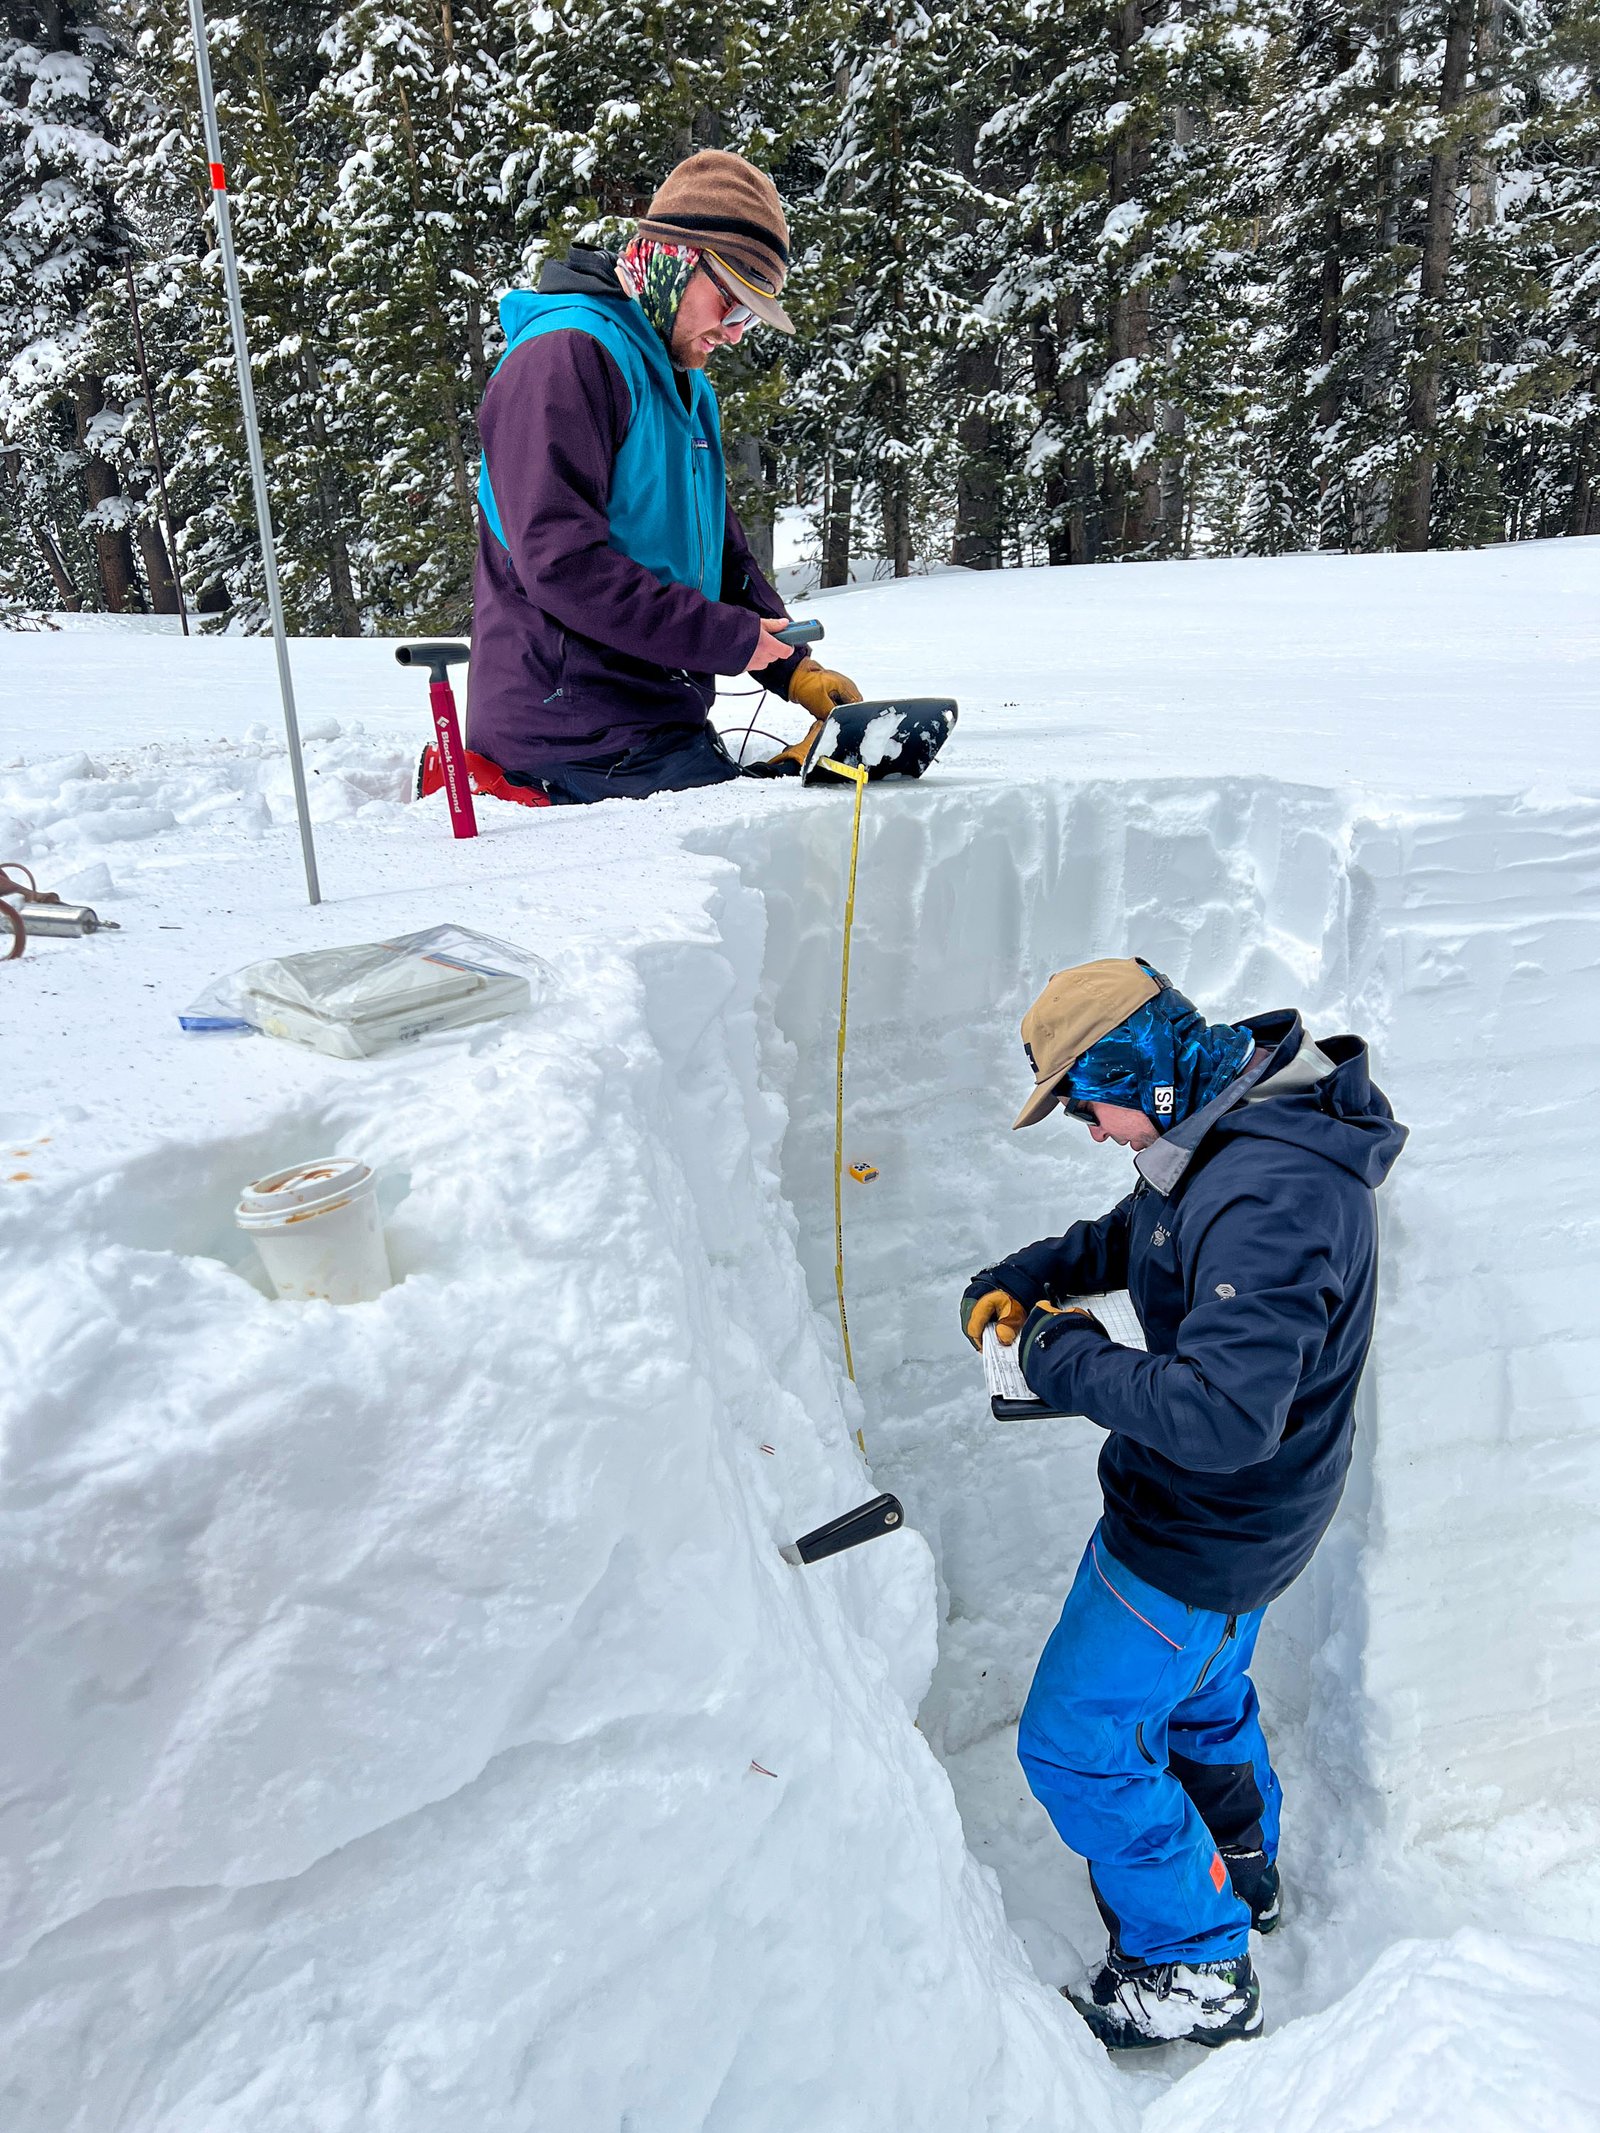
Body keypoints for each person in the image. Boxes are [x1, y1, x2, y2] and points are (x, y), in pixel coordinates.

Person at [961, 956, 1406, 2050]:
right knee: (1201, 1689)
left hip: (1196, 1529)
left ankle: (1191, 1964)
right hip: (1252, 1523)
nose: (1093, 1130)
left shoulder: (1266, 1191)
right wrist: (1042, 1267)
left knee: (1072, 1741)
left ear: (1141, 1072)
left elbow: (1218, 1417)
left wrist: (1057, 1354)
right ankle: (1239, 1867)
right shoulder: (1228, 1134)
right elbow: (1150, 1230)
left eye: (1088, 1103)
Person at [467, 149, 860, 803]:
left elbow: (719, 556)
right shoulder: (565, 358)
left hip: (651, 728)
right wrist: (729, 640)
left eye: (747, 319)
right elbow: (561, 565)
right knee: (791, 815)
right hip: (568, 740)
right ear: (674, 259)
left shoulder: (684, 381)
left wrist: (792, 667)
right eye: (730, 305)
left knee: (821, 793)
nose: (734, 333)